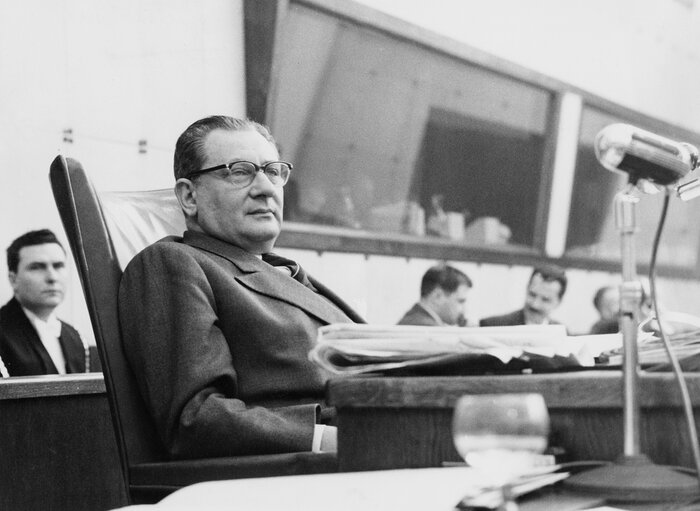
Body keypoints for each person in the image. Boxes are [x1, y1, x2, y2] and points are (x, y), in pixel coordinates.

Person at [118, 115, 364, 460]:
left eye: (273, 171)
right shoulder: (173, 263)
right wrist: (327, 440)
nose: (266, 188)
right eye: (240, 171)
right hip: (308, 475)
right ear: (189, 197)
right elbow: (198, 419)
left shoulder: (285, 272)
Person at [0, 229, 98, 376]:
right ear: (13, 280)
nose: (52, 277)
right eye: (37, 267)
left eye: (58, 266)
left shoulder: (74, 335)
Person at [479, 264, 568, 328]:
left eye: (545, 299)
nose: (535, 304)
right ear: (526, 289)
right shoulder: (493, 327)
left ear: (558, 302)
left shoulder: (562, 334)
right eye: (532, 295)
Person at [397, 264, 472, 326]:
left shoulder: (414, 319)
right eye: (460, 301)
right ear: (437, 296)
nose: (464, 310)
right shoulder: (429, 329)